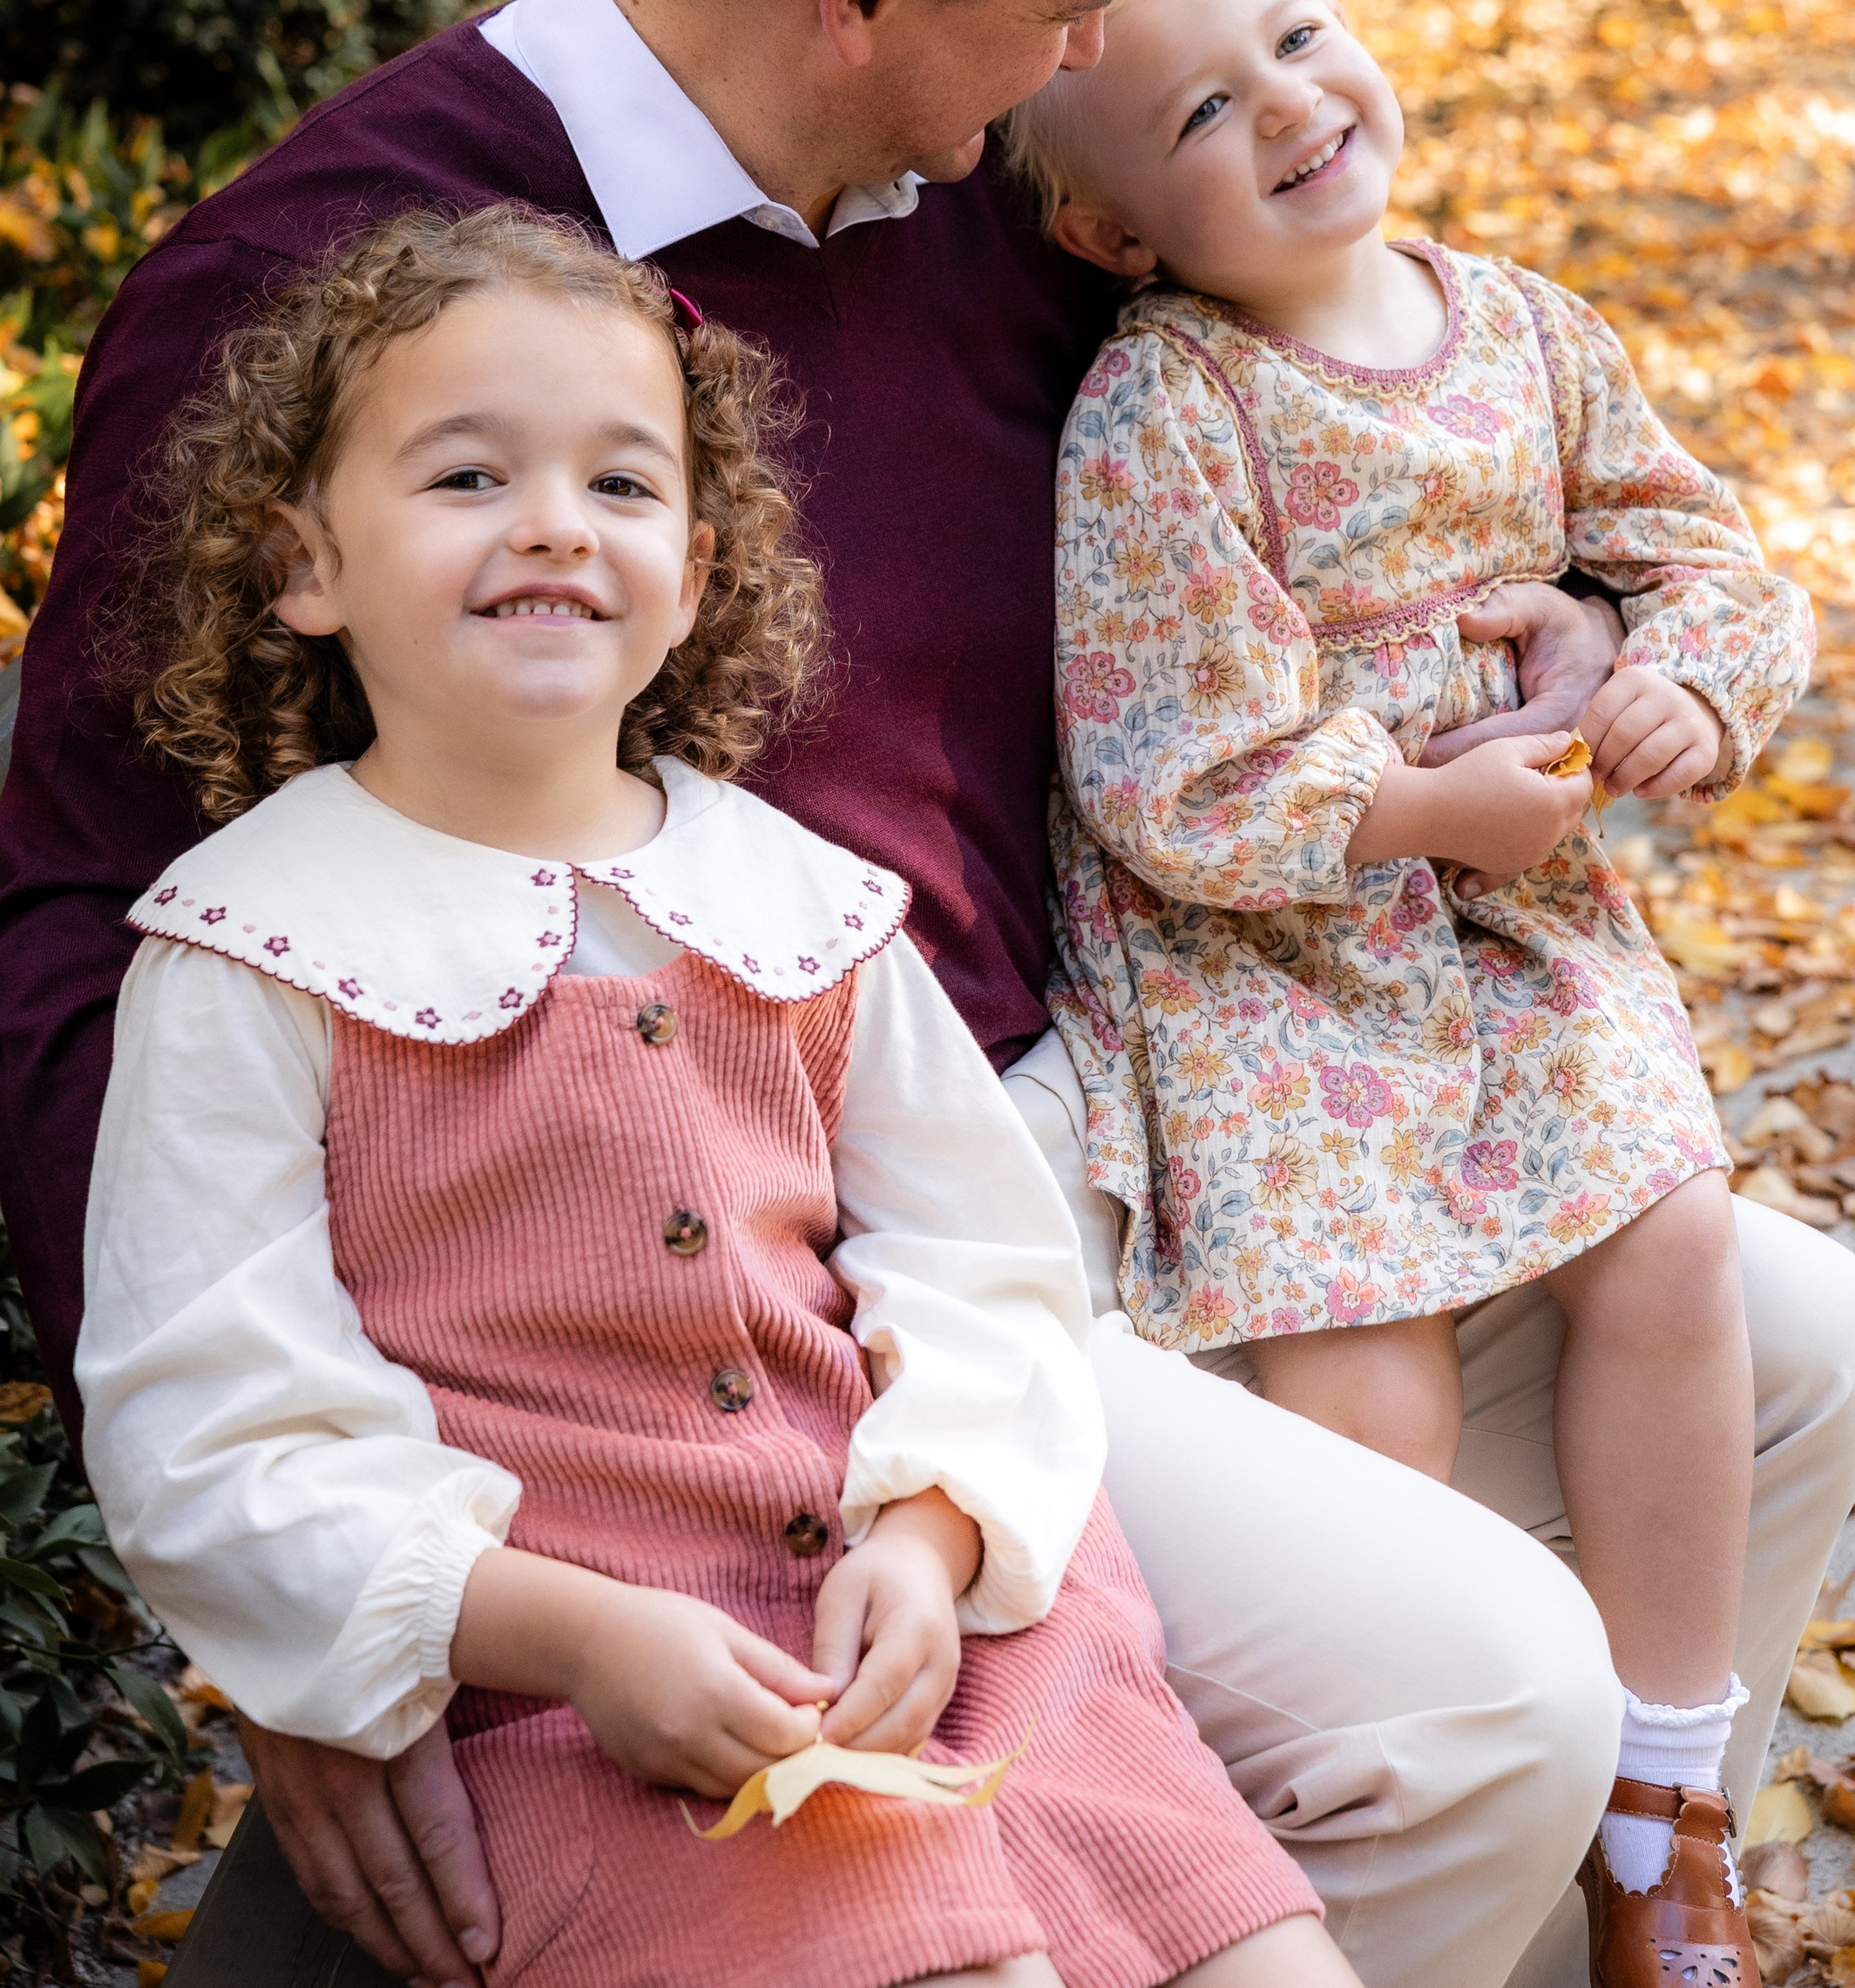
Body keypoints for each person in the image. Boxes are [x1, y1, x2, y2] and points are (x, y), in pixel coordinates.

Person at [0, 0, 1855, 1988]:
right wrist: (313, 1627)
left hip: (1158, 1125)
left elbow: (1355, 427)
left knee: (1789, 1349)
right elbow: (83, 941)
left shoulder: (985, 204)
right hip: (787, 1270)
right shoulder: (367, 302)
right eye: (1063, 11)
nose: (1083, 58)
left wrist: (1598, 624)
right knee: (1476, 1705)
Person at [79, 205, 1341, 1988]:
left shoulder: (798, 903)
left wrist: (926, 1534)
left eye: (619, 483)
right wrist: (577, 1640)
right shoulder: (246, 959)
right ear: (304, 562)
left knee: (1260, 1964)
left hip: (939, 1638)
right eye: (462, 478)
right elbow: (215, 1442)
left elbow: (985, 1263)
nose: (548, 525)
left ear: (691, 571)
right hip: (587, 1713)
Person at [1005, 0, 1821, 1988]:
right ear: (1109, 230)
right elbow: (1162, 760)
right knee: (1363, 1417)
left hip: (1520, 941)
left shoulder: (1528, 333)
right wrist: (1412, 802)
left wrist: (1674, 682)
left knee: (1670, 1238)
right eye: (1199, 110)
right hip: (1274, 976)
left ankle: (1659, 1800)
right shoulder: (1165, 408)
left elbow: (1714, 567)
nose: (1283, 104)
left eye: (1295, 36)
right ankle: (1465, 1797)